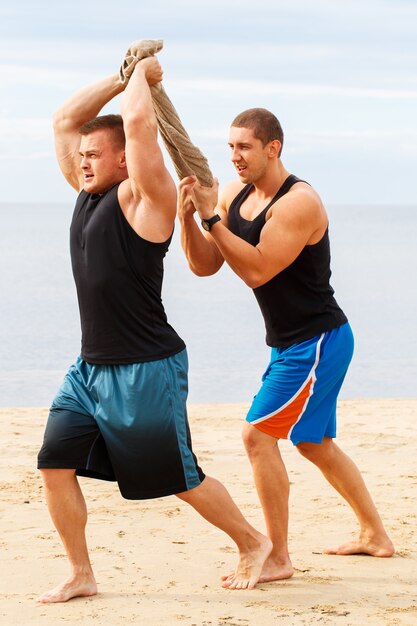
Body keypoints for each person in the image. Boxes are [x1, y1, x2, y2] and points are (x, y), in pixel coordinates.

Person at [37, 62, 273, 603]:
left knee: (179, 479)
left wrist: (144, 75)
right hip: (89, 369)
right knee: (54, 464)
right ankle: (81, 573)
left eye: (94, 155)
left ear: (124, 160)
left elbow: (140, 124)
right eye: (82, 156)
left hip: (146, 367)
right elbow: (64, 119)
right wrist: (123, 75)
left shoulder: (149, 201)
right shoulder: (88, 191)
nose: (83, 161)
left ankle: (252, 542)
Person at [178, 107, 395, 586]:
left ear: (272, 148)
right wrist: (189, 216)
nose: (234, 157)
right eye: (230, 147)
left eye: (244, 147)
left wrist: (212, 216)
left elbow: (256, 269)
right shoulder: (235, 195)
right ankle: (374, 534)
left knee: (258, 437)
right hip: (292, 343)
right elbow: (204, 266)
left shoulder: (298, 202)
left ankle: (277, 555)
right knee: (313, 442)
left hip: (316, 341)